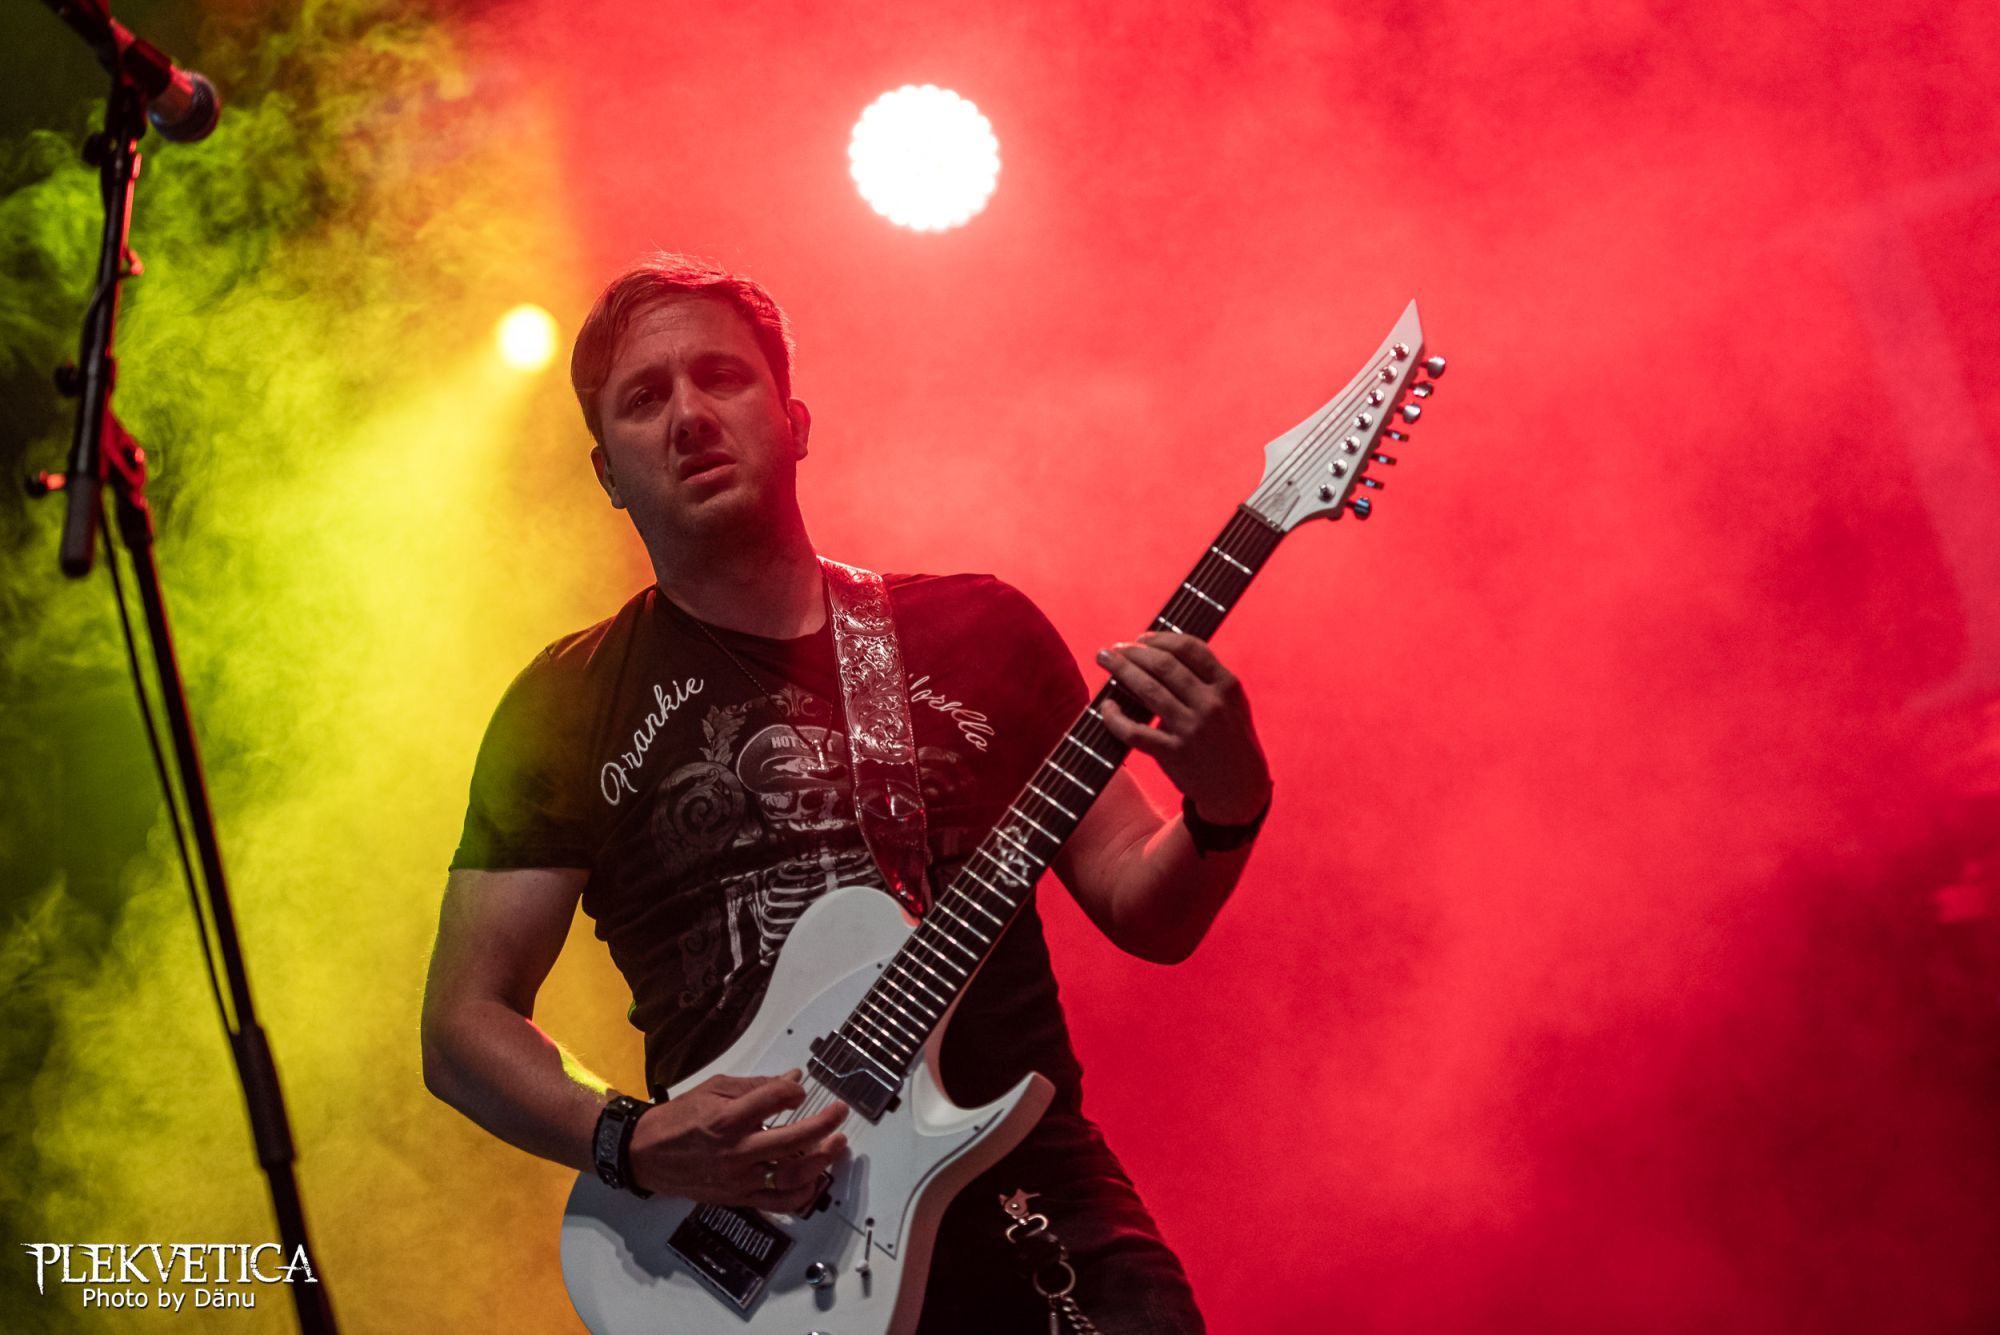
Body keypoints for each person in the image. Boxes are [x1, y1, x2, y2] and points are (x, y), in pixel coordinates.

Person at [421, 253, 1273, 1333]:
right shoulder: (564, 702)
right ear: (607, 473)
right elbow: (462, 1024)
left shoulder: (980, 629)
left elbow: (1144, 906)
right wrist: (630, 1138)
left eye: (721, 376)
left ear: (795, 421)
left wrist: (1227, 804)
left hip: (1029, 1205)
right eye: (644, 398)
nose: (689, 416)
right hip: (754, 1264)